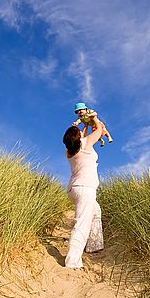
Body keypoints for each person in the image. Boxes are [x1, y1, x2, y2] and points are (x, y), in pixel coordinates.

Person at [62, 113, 104, 268]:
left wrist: (83, 126)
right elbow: (99, 130)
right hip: (85, 188)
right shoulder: (85, 143)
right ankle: (72, 262)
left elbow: (81, 138)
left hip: (74, 189)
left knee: (96, 211)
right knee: (82, 224)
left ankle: (94, 245)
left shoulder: (69, 152)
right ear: (78, 137)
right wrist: (94, 118)